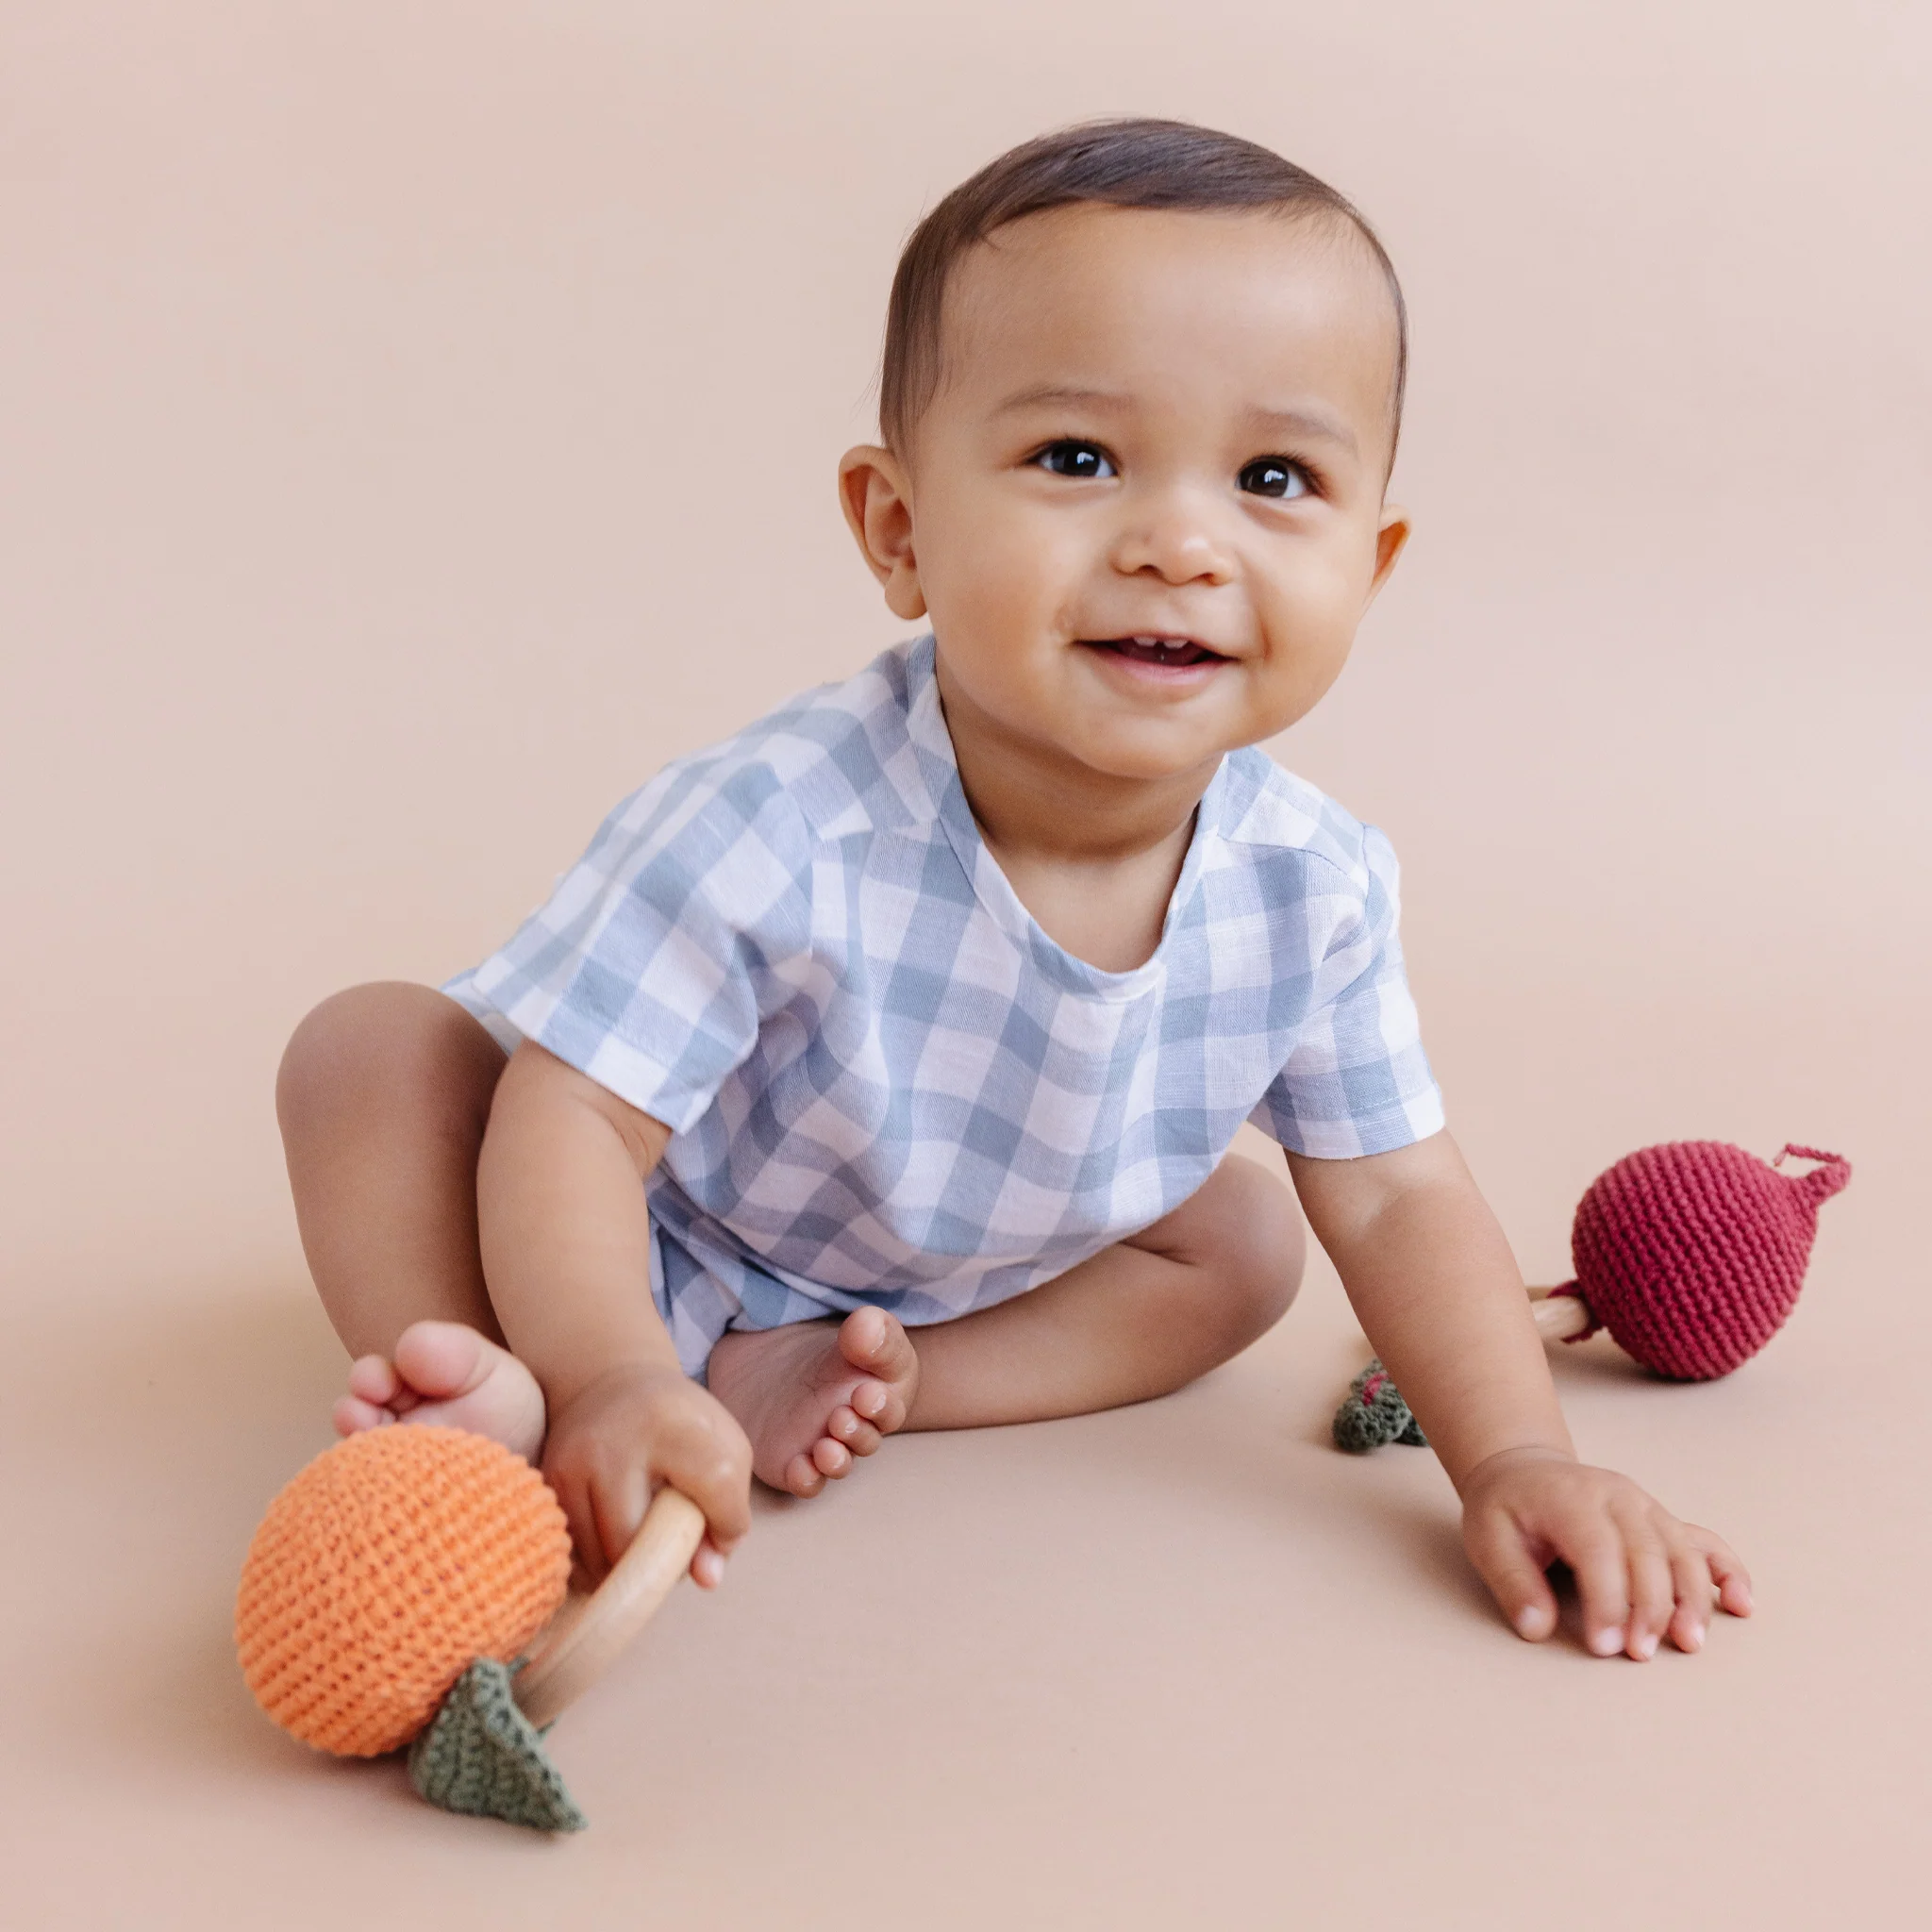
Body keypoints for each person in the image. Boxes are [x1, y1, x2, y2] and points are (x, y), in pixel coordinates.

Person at [276, 118, 1750, 1662]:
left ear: (1369, 570)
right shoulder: (780, 827)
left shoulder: (1310, 885)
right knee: (372, 1056)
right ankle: (491, 1394)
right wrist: (603, 1369)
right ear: (899, 530)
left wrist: (1519, 1462)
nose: (1180, 542)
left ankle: (850, 1375)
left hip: (942, 1265)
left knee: (1244, 1250)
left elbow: (1393, 1193)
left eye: (1271, 476)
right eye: (1077, 459)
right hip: (632, 1219)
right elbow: (574, 1121)